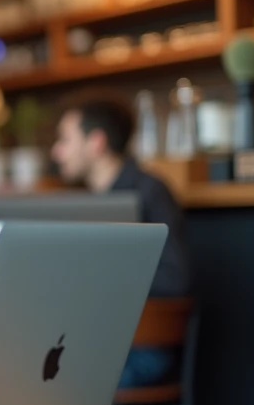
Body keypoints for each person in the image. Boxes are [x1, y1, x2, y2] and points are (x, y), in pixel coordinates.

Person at [51, 96, 193, 387]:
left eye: (65, 139)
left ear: (96, 142)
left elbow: (177, 279)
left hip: (141, 349)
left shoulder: (149, 192)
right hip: (100, 343)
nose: (56, 151)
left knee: (50, 383)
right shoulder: (93, 203)